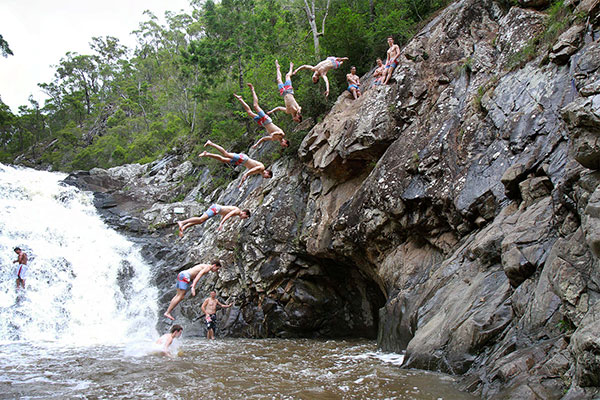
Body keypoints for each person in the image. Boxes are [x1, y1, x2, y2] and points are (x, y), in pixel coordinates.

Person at [234, 83, 289, 149]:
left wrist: (256, 144)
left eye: (283, 146)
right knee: (255, 106)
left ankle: (240, 99)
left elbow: (263, 139)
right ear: (285, 141)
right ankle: (252, 89)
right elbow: (278, 132)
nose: (282, 145)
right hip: (267, 120)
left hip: (263, 123)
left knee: (249, 113)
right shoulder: (282, 135)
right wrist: (273, 134)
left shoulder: (274, 139)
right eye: (284, 145)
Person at [200, 140, 272, 187]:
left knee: (223, 160)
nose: (265, 177)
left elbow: (247, 174)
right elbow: (251, 171)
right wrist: (246, 174)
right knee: (226, 154)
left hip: (241, 162)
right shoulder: (262, 168)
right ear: (267, 172)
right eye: (267, 176)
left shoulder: (258, 172)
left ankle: (207, 154)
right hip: (243, 158)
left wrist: (241, 183)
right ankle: (210, 143)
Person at [177, 204, 250, 238]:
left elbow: (224, 214)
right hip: (216, 209)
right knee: (200, 219)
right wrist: (221, 223)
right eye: (245, 217)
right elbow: (228, 215)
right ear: (244, 213)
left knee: (201, 221)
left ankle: (184, 227)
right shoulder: (237, 211)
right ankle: (182, 222)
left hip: (216, 209)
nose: (244, 218)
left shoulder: (236, 211)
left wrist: (220, 223)